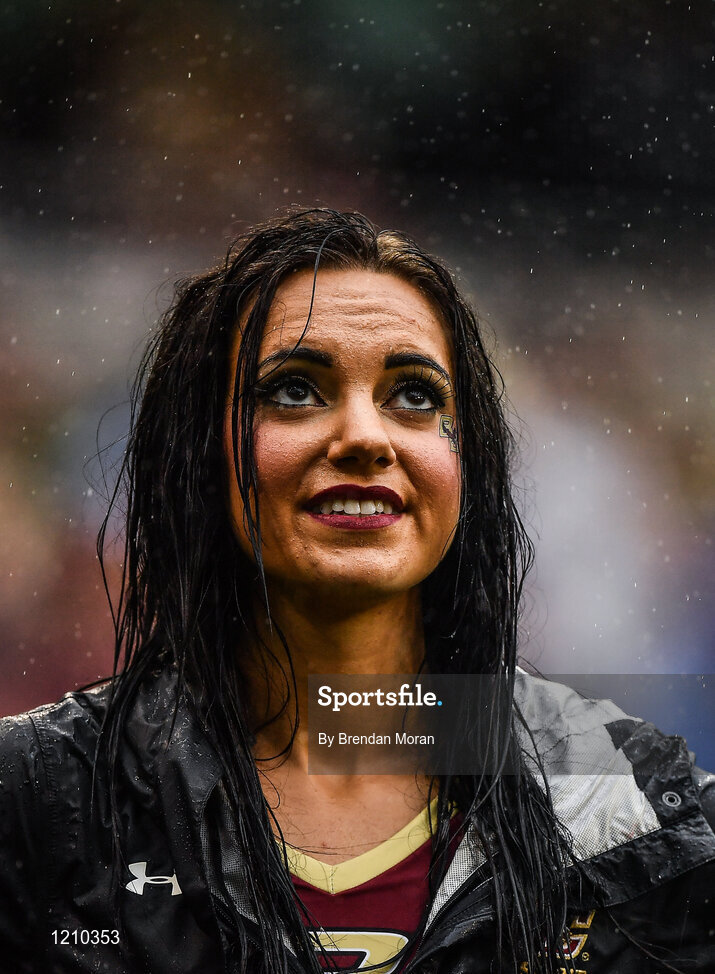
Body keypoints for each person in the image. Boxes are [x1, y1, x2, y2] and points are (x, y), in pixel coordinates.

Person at [0, 209, 712, 974]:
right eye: (295, 389)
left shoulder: (641, 816)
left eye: (413, 396)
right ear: (196, 454)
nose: (367, 436)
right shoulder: (39, 803)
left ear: (467, 466)